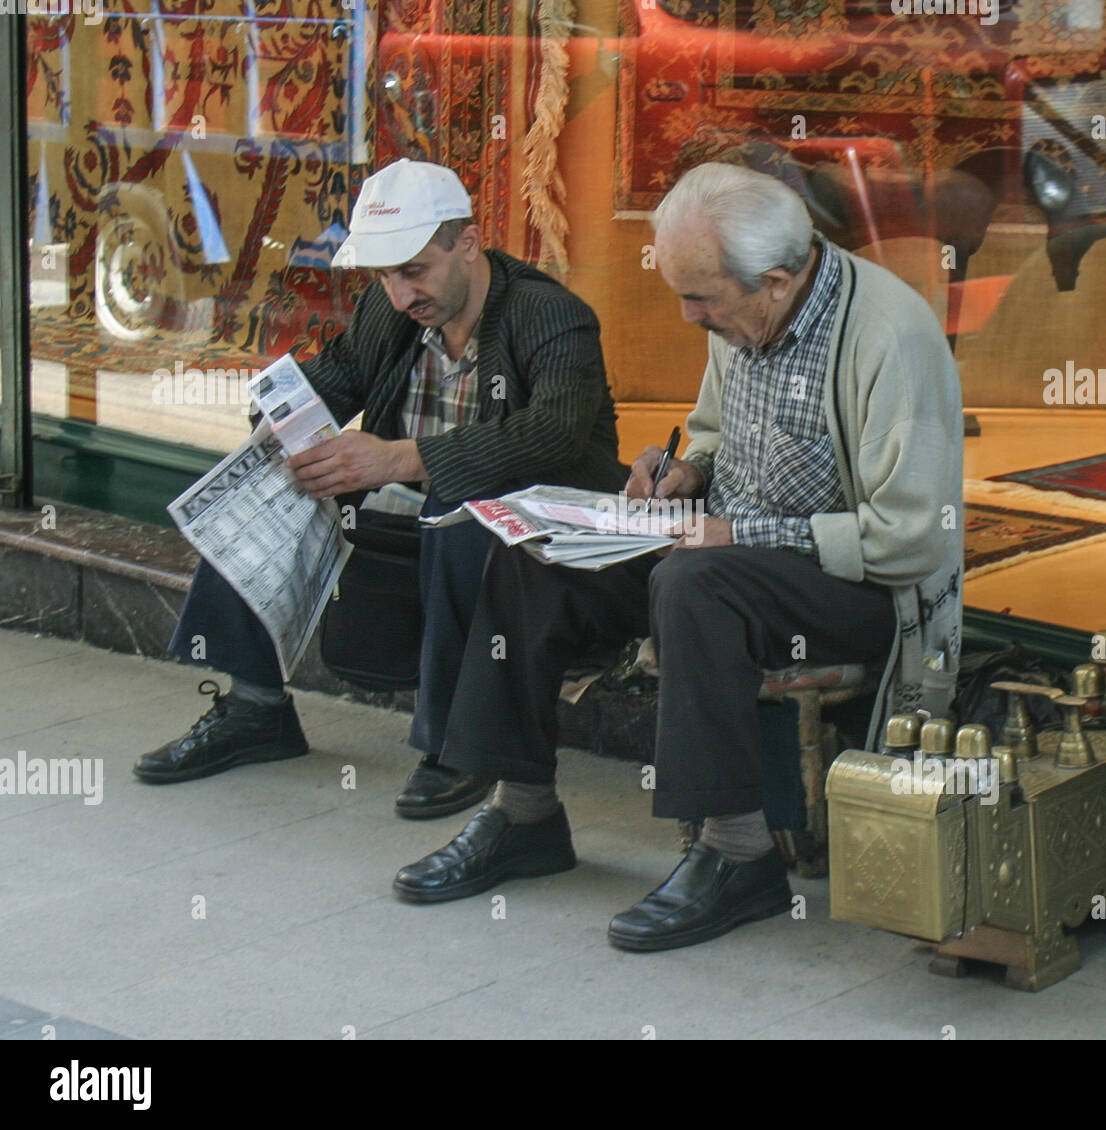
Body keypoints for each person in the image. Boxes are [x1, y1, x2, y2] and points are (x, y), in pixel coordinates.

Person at [389, 162, 965, 951]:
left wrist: (736, 535)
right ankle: (521, 812)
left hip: (858, 585)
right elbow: (716, 434)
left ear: (774, 281)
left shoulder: (890, 336)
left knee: (696, 581)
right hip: (729, 556)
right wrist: (686, 471)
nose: (690, 316)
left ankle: (738, 853)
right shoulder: (743, 313)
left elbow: (911, 536)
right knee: (532, 554)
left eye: (702, 300)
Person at [133, 159, 625, 821]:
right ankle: (255, 708)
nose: (399, 294)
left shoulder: (550, 316)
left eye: (414, 271)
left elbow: (553, 439)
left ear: (469, 244)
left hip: (530, 527)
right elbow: (337, 376)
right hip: (409, 511)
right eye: (385, 276)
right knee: (275, 481)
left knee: (460, 508)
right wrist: (283, 425)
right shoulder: (392, 310)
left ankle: (458, 744)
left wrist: (403, 458)